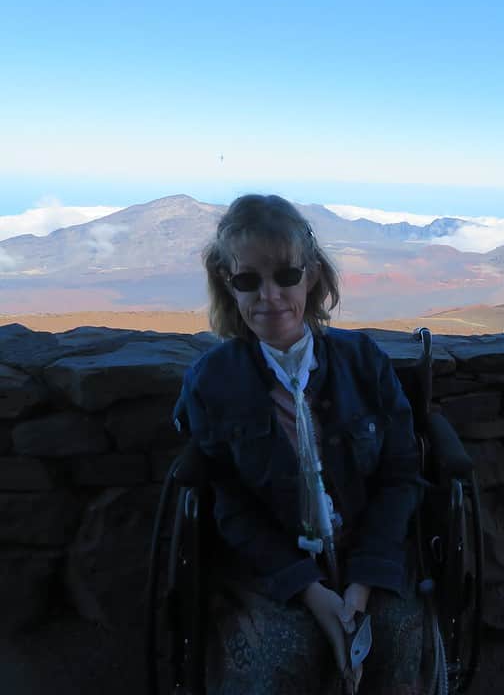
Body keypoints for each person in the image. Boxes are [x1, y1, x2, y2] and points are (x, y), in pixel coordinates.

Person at [173, 194, 425, 695]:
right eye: (248, 280)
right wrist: (307, 589)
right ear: (229, 285)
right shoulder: (212, 383)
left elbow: (401, 475)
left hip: (368, 550)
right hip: (269, 565)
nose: (269, 295)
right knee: (280, 654)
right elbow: (229, 503)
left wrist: (363, 580)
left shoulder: (363, 364)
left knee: (396, 636)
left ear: (311, 276)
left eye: (286, 275)